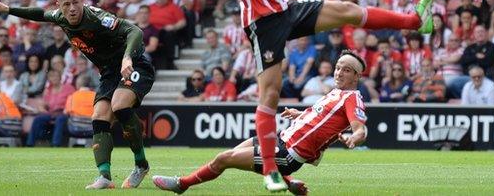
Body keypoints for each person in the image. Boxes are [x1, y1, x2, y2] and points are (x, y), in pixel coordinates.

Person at [186, 0, 433, 191]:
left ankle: (415, 21)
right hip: (263, 22)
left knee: (347, 9)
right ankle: (271, 170)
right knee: (270, 93)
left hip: (286, 10)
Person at [0, 0, 155, 189]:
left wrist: (127, 58)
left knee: (119, 105)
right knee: (98, 116)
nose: (71, 9)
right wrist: (8, 9)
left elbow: (134, 31)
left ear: (81, 1)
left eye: (75, 3)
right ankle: (105, 177)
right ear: (59, 6)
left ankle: (141, 165)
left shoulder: (96, 17)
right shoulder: (60, 17)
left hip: (134, 64)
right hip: (109, 73)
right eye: (66, 5)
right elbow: (38, 14)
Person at [152, 51, 369, 195]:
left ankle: (182, 184)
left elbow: (360, 128)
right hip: (281, 140)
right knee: (234, 152)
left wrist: (354, 138)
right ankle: (287, 181)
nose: (339, 72)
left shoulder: (352, 97)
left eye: (346, 70)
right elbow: (321, 118)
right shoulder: (335, 92)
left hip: (288, 154)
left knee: (223, 159)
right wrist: (299, 115)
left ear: (356, 76)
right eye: (338, 67)